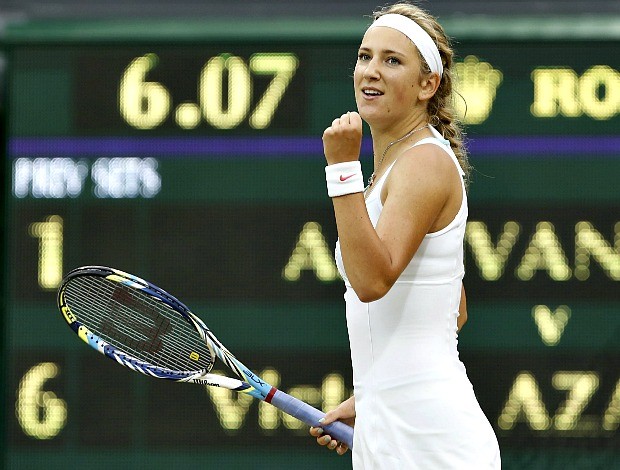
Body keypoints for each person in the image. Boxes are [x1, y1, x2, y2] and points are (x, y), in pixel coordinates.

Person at [309, 2, 501, 468]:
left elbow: (372, 282)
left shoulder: (424, 162)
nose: (370, 71)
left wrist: (341, 170)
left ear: (427, 85)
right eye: (364, 56)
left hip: (434, 443)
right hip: (393, 431)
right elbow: (451, 308)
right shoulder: (402, 166)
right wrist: (377, 396)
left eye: (392, 61)